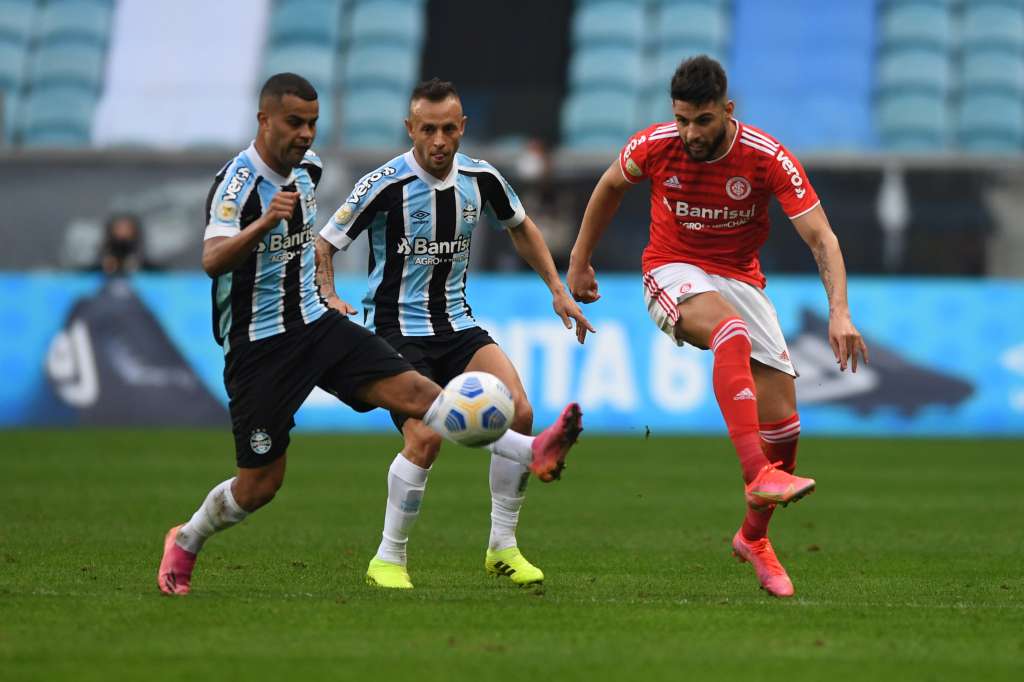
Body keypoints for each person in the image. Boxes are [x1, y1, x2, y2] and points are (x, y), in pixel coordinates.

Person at [155, 73, 570, 596]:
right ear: (264, 121)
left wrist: (324, 293)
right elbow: (213, 259)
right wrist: (264, 226)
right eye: (294, 123)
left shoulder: (310, 168)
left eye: (312, 123)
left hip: (317, 324)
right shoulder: (237, 184)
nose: (305, 134)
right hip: (260, 345)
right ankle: (187, 539)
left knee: (423, 399)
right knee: (259, 485)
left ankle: (525, 461)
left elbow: (311, 248)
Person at [567, 56, 869, 598]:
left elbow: (822, 238)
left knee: (785, 431)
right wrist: (579, 260)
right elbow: (610, 185)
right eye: (682, 119)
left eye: (702, 120)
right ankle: (756, 472)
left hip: (740, 280)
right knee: (730, 333)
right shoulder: (655, 145)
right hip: (671, 268)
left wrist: (839, 311)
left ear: (728, 110)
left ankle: (753, 538)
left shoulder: (766, 157)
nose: (690, 133)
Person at [316, 78, 592, 589]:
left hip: (457, 324)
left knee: (521, 412)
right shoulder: (383, 183)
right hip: (395, 331)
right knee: (424, 438)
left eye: (448, 128)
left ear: (462, 127)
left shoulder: (481, 178)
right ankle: (388, 559)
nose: (439, 140)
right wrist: (329, 293)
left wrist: (557, 288)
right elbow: (325, 243)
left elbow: (520, 226)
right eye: (428, 129)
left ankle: (502, 547)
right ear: (410, 128)